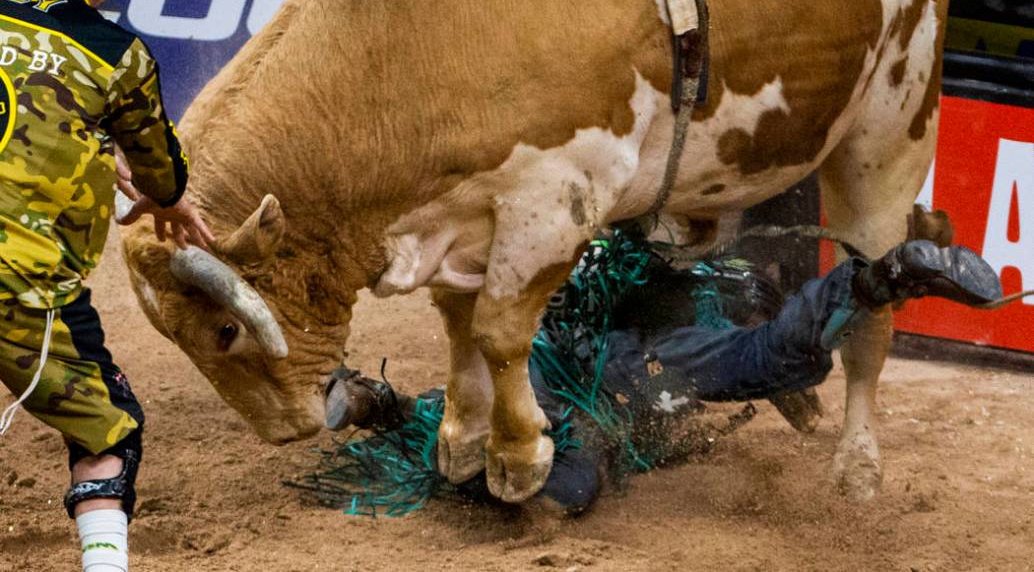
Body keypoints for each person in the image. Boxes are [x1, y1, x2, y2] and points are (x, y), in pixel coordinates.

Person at [312, 235, 1004, 516]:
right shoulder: (718, 290)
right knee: (567, 478)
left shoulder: (679, 263)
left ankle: (392, 408)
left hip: (579, 346)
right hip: (611, 358)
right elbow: (765, 348)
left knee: (548, 460)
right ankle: (879, 279)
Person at [0, 0, 213, 572]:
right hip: (22, 286)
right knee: (110, 431)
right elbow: (165, 174)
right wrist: (165, 193)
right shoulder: (117, 56)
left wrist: (88, 150)